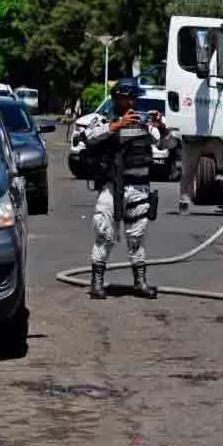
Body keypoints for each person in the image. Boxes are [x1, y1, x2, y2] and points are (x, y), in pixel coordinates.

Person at [83, 78, 177, 299]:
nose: (133, 102)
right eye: (129, 98)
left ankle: (139, 283)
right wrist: (117, 125)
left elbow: (168, 145)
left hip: (139, 188)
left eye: (135, 98)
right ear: (119, 98)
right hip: (112, 187)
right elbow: (90, 136)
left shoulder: (143, 123)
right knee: (104, 234)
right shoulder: (103, 119)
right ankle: (96, 284)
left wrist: (161, 128)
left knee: (137, 237)